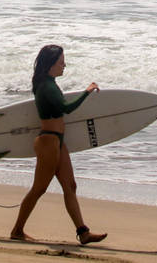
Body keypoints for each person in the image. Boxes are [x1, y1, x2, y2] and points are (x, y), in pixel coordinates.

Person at [10, 45, 107, 245]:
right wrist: (87, 92)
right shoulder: (46, 86)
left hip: (57, 141)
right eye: (61, 62)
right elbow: (65, 108)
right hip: (48, 142)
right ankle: (17, 230)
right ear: (51, 64)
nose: (64, 65)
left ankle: (83, 232)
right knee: (39, 188)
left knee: (70, 185)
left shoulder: (49, 82)